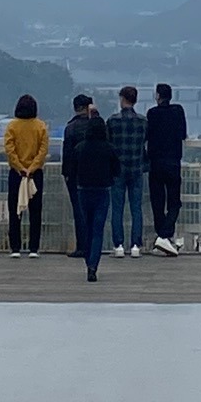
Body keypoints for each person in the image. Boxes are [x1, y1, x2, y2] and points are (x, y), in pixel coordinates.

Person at [59, 90, 115, 279]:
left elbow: (68, 156)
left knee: (82, 219)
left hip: (80, 184)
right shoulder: (105, 140)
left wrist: (67, 175)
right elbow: (115, 167)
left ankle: (83, 249)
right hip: (102, 187)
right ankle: (93, 263)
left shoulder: (73, 131)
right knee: (98, 227)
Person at [2, 92, 50, 255]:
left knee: (14, 209)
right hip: (35, 174)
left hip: (17, 173)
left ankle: (15, 247)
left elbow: (9, 149)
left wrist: (19, 167)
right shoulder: (41, 126)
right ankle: (33, 248)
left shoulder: (12, 126)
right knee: (35, 211)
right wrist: (32, 167)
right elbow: (43, 151)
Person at [144, 80, 189, 253]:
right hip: (173, 161)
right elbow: (183, 134)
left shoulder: (152, 113)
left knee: (157, 201)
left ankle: (162, 237)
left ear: (157, 96)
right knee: (174, 202)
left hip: (155, 162)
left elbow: (148, 135)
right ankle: (165, 237)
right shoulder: (178, 111)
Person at [108, 83, 150, 255]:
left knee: (117, 208)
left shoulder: (112, 121)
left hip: (117, 169)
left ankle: (118, 245)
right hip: (136, 168)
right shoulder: (143, 122)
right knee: (136, 208)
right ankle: (135, 245)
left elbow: (108, 144)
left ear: (122, 99)